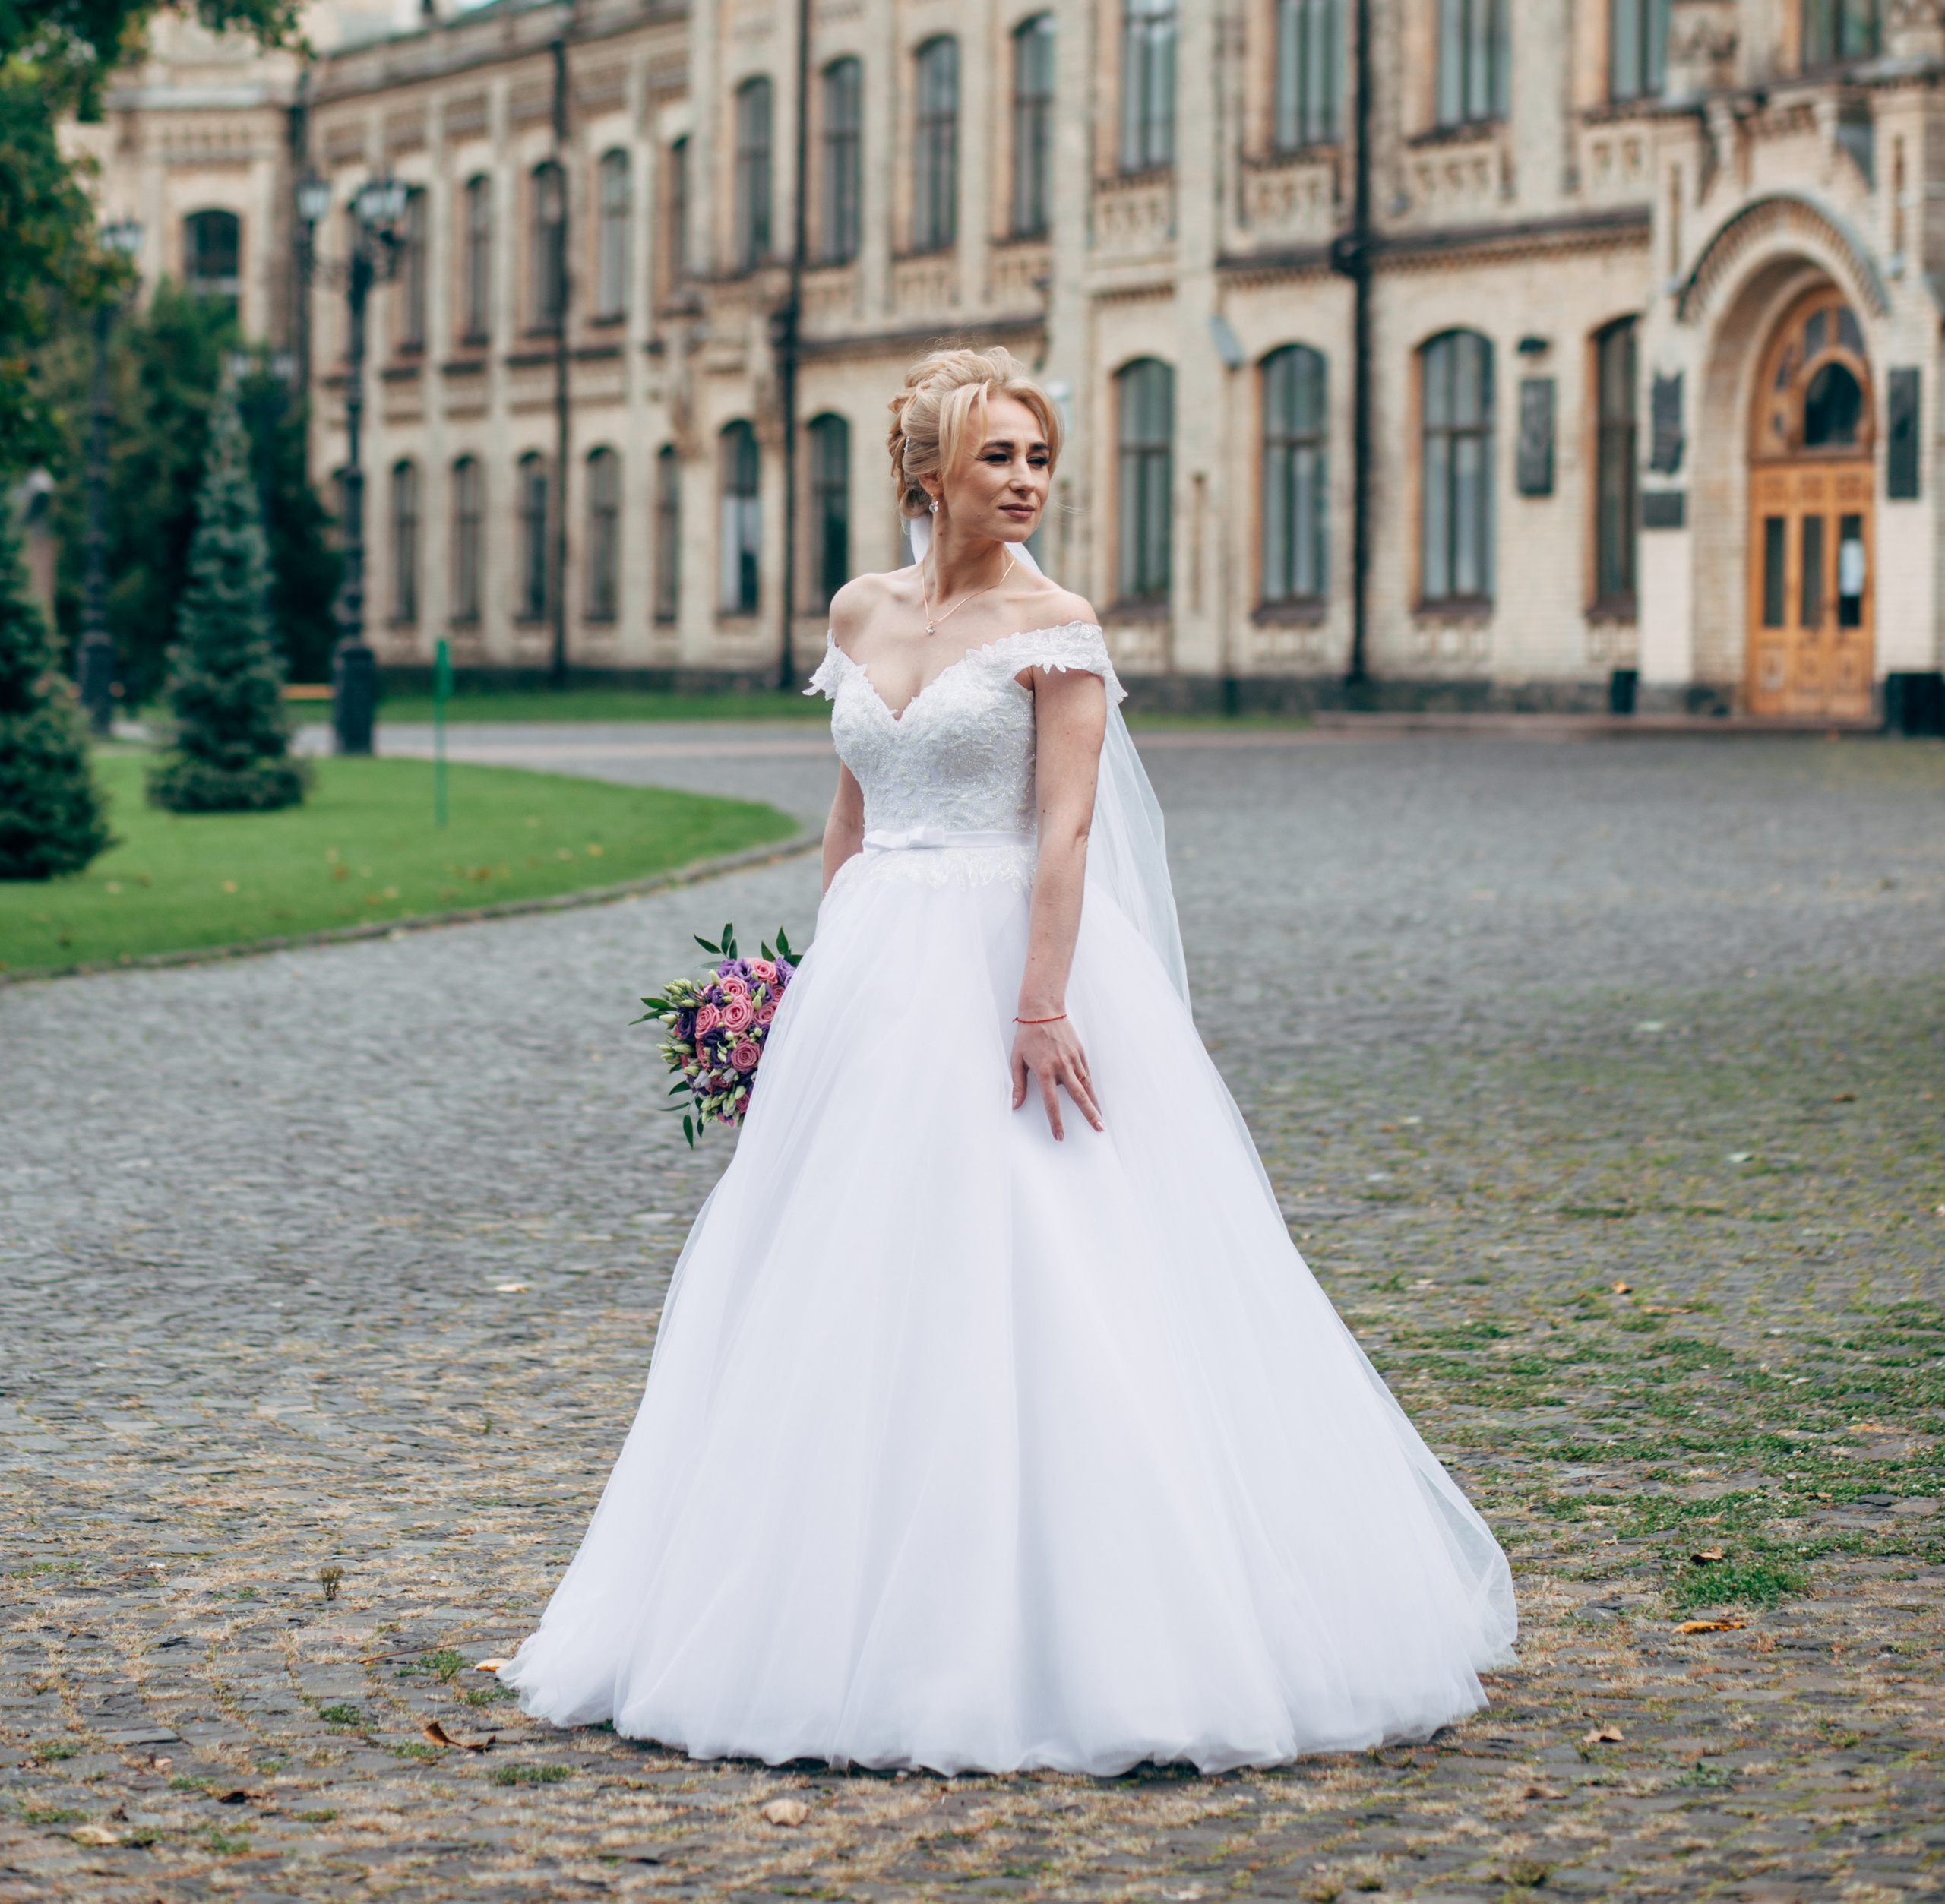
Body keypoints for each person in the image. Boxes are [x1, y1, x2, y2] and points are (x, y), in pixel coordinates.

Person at [507, 347, 1515, 1774]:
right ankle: (804, 1610)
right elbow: (852, 812)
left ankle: (1088, 1624)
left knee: (1042, 1256)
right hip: (874, 972)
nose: (1029, 482)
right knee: (841, 1274)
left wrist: (1041, 1006)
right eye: (1000, 458)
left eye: (1041, 458)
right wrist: (799, 983)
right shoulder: (862, 609)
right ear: (928, 473)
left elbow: (1067, 829)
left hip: (1008, 960)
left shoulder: (1058, 623)